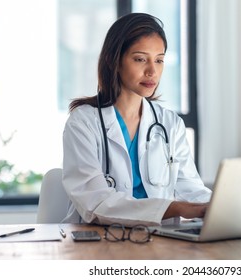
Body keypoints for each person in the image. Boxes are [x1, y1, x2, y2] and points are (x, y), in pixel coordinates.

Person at [62, 13, 211, 227]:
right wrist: (175, 208)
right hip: (100, 240)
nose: (152, 71)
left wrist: (217, 206)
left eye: (159, 60)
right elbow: (95, 202)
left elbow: (191, 189)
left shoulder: (170, 123)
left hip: (161, 241)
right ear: (114, 61)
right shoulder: (84, 122)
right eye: (140, 59)